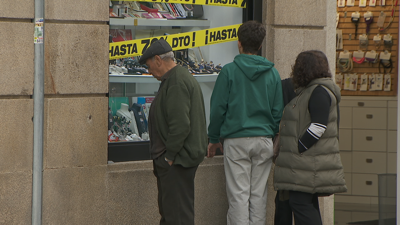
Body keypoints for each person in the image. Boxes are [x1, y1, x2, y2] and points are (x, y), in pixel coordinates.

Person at [207, 20, 284, 225]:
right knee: (258, 196)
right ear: (260, 45)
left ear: (239, 43)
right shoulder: (273, 73)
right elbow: (278, 112)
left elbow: (217, 109)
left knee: (238, 197)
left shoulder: (229, 71)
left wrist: (214, 138)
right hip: (264, 140)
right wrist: (270, 132)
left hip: (236, 140)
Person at [273, 50, 347, 225]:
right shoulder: (310, 90)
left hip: (305, 163)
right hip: (302, 165)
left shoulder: (319, 91)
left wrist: (299, 146)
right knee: (289, 202)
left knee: (300, 204)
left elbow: (318, 126)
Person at [139, 39, 208, 225]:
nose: (149, 71)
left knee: (177, 217)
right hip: (176, 161)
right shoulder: (175, 78)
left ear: (158, 60)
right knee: (172, 214)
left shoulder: (176, 81)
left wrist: (169, 156)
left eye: (149, 65)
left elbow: (180, 125)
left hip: (177, 161)